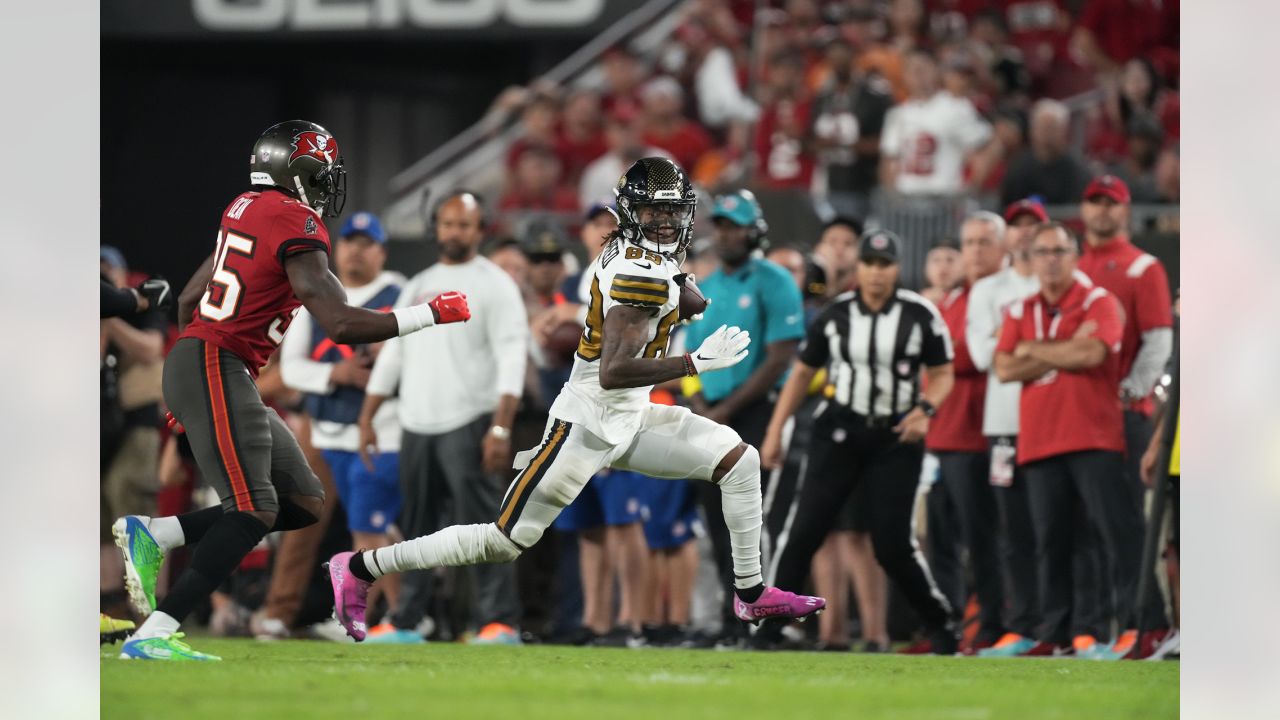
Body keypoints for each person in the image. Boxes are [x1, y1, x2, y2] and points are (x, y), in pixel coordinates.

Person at [326, 157, 826, 643]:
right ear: (633, 212)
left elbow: (675, 293)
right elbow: (614, 372)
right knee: (504, 540)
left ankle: (751, 592)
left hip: (631, 417)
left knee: (741, 461)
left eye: (674, 210)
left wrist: (684, 295)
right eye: (655, 211)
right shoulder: (638, 272)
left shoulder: (632, 252)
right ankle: (360, 566)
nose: (668, 221)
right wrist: (694, 363)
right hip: (586, 422)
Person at [111, 120, 471, 661]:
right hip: (216, 365)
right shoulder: (295, 220)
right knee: (253, 507)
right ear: (297, 174)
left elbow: (188, 300)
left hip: (208, 365)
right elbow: (343, 326)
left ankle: (159, 534)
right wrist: (431, 314)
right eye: (320, 175)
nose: (327, 188)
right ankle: (156, 630)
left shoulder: (245, 207)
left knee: (301, 501)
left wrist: (188, 386)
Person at [761, 228, 959, 654]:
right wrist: (776, 430)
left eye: (885, 265)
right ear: (860, 267)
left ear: (897, 269)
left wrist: (925, 410)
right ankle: (771, 625)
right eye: (870, 263)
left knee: (892, 545)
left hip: (895, 434)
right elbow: (800, 373)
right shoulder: (837, 315)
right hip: (839, 430)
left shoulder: (921, 314)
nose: (876, 273)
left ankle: (939, 623)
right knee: (804, 531)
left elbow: (943, 374)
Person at [357, 191, 529, 645]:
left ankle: (499, 621)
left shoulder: (495, 284)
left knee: (486, 529)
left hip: (469, 420)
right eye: (448, 223)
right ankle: (407, 621)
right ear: (436, 227)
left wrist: (500, 426)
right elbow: (394, 352)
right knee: (415, 528)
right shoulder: (419, 284)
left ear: (480, 230)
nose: (454, 232)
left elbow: (512, 357)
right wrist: (368, 414)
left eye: (464, 225)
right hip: (416, 422)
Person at [993, 221, 1160, 660]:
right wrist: (1061, 348)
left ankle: (1145, 627)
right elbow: (1005, 367)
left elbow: (1094, 352)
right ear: (1030, 260)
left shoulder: (1097, 300)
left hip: (1094, 435)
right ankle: (1058, 633)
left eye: (1059, 251)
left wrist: (1032, 349)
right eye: (1041, 252)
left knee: (1115, 533)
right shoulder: (1020, 307)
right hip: (1040, 439)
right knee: (1052, 541)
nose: (1050, 260)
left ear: (1074, 255)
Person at [682, 189, 806, 643]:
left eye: (736, 225)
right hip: (710, 413)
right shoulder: (706, 287)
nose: (727, 234)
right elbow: (689, 356)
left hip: (756, 410)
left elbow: (779, 357)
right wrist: (700, 407)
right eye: (722, 225)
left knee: (754, 517)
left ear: (755, 230)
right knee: (715, 518)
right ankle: (735, 617)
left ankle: (768, 620)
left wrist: (724, 409)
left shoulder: (775, 280)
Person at [278, 210, 405, 636]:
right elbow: (291, 369)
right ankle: (282, 611)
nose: (356, 249)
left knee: (373, 529)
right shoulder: (315, 293)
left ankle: (390, 615)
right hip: (325, 428)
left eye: (367, 243)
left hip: (381, 429)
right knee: (313, 526)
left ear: (381, 251)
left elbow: (408, 359)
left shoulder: (399, 292)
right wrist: (337, 374)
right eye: (350, 240)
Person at [966, 199, 1048, 657]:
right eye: (1016, 227)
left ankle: (1069, 625)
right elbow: (983, 357)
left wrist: (1012, 345)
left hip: (1054, 419)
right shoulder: (987, 290)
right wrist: (1043, 348)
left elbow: (1000, 352)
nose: (1023, 235)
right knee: (1015, 528)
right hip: (1003, 424)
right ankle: (1023, 626)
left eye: (1031, 226)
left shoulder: (1060, 285)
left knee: (1057, 527)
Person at [923, 211, 1008, 653]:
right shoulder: (952, 301)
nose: (973, 252)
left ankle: (992, 626)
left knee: (983, 540)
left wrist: (935, 359)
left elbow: (972, 358)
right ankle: (949, 627)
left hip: (976, 437)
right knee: (941, 542)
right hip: (940, 436)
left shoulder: (991, 296)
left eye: (980, 244)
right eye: (968, 243)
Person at [1076, 176, 1174, 504]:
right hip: (1077, 414)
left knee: (1122, 523)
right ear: (1083, 209)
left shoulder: (1143, 267)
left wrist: (1131, 391)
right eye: (1095, 202)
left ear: (1126, 211)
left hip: (1123, 416)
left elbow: (1159, 340)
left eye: (1111, 203)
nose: (1102, 211)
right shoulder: (1074, 267)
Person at [879, 49, 994, 197]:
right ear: (904, 76)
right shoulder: (897, 114)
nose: (918, 74)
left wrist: (972, 187)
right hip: (905, 201)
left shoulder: (956, 107)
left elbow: (988, 147)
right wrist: (891, 195)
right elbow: (889, 160)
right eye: (911, 69)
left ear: (937, 71)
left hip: (943, 200)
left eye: (923, 68)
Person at [808, 36, 894, 219]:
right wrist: (818, 144)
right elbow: (811, 141)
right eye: (833, 58)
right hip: (827, 184)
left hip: (863, 185)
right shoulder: (822, 98)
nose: (838, 63)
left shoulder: (874, 97)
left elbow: (886, 142)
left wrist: (844, 144)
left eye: (842, 57)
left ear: (854, 58)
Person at [999, 99, 1094, 207]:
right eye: (1042, 128)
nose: (1046, 135)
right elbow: (1007, 206)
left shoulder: (1077, 169)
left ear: (1064, 131)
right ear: (1032, 130)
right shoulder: (1019, 167)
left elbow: (1080, 207)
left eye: (1052, 128)